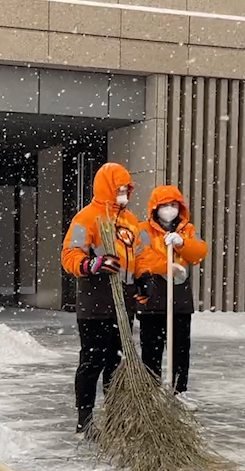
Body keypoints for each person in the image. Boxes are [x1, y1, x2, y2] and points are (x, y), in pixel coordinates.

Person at [61, 162, 142, 436]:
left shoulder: (131, 221)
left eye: (126, 189)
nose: (123, 193)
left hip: (124, 306)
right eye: (119, 189)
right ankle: (85, 419)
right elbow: (70, 255)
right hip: (95, 305)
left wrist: (144, 279)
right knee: (92, 362)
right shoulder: (86, 218)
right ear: (107, 187)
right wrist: (92, 264)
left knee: (116, 363)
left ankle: (114, 415)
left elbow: (138, 257)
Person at [133, 186, 208, 404]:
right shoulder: (143, 230)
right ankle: (151, 391)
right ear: (155, 208)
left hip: (179, 299)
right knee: (151, 349)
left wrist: (182, 243)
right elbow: (141, 258)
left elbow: (199, 252)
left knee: (180, 348)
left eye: (174, 205)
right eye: (165, 205)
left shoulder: (188, 230)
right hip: (152, 296)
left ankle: (179, 391)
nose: (169, 210)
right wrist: (166, 266)